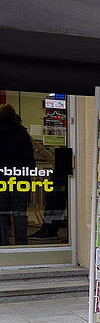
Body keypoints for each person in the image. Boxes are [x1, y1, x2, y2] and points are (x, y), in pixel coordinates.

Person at [0, 104, 35, 245]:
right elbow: (29, 157)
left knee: (1, 213)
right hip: (20, 177)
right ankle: (21, 244)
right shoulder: (21, 132)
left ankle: (3, 244)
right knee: (20, 213)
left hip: (1, 178)